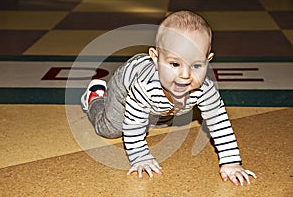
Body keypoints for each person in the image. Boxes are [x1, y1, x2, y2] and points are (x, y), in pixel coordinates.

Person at [81, 10, 257, 186]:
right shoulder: (144, 87)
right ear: (156, 59)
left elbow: (219, 123)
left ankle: (156, 106)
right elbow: (133, 126)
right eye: (174, 64)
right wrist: (140, 158)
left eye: (196, 65)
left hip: (160, 98)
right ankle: (95, 96)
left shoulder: (205, 89)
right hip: (125, 85)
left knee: (161, 116)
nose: (185, 75)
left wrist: (231, 162)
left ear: (207, 60)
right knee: (111, 129)